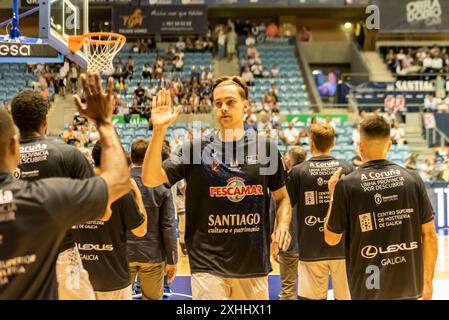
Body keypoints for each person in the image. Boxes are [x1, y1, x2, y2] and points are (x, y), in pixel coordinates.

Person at [141, 76, 292, 300]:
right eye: (218, 103)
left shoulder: (266, 149)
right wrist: (158, 131)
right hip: (207, 263)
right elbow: (151, 178)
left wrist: (283, 225)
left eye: (230, 102)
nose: (223, 108)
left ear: (245, 105)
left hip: (253, 264)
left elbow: (283, 199)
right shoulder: (194, 149)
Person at [0, 72, 131, 299]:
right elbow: (110, 202)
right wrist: (103, 121)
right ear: (45, 121)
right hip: (63, 258)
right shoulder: (66, 158)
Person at [324, 115, 438, 300]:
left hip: (368, 287)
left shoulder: (346, 185)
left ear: (360, 146)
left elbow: (331, 238)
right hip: (409, 284)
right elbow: (430, 236)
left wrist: (332, 197)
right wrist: (428, 282)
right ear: (390, 145)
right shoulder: (413, 179)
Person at [11, 90, 96, 300]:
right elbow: (99, 211)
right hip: (63, 256)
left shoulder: (4, 160)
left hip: (14, 258)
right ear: (45, 120)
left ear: (15, 121)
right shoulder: (70, 155)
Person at [72, 141, 147, 300]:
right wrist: (137, 193)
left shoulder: (74, 188)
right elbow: (141, 231)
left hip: (78, 281)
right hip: (114, 281)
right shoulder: (122, 192)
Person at [287, 124, 353, 300]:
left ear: (311, 143)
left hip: (311, 248)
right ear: (333, 143)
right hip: (343, 248)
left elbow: (285, 206)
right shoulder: (346, 168)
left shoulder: (298, 172)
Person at [128, 139, 178, 300]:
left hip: (122, 254)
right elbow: (168, 226)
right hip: (152, 255)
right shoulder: (161, 183)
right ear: (150, 157)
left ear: (130, 157)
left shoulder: (117, 181)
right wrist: (172, 259)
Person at [278, 146, 307, 300]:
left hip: (288, 242)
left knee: (288, 290)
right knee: (312, 291)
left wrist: (274, 243)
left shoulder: (281, 185)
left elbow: (273, 213)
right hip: (310, 244)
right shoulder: (312, 180)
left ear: (289, 160)